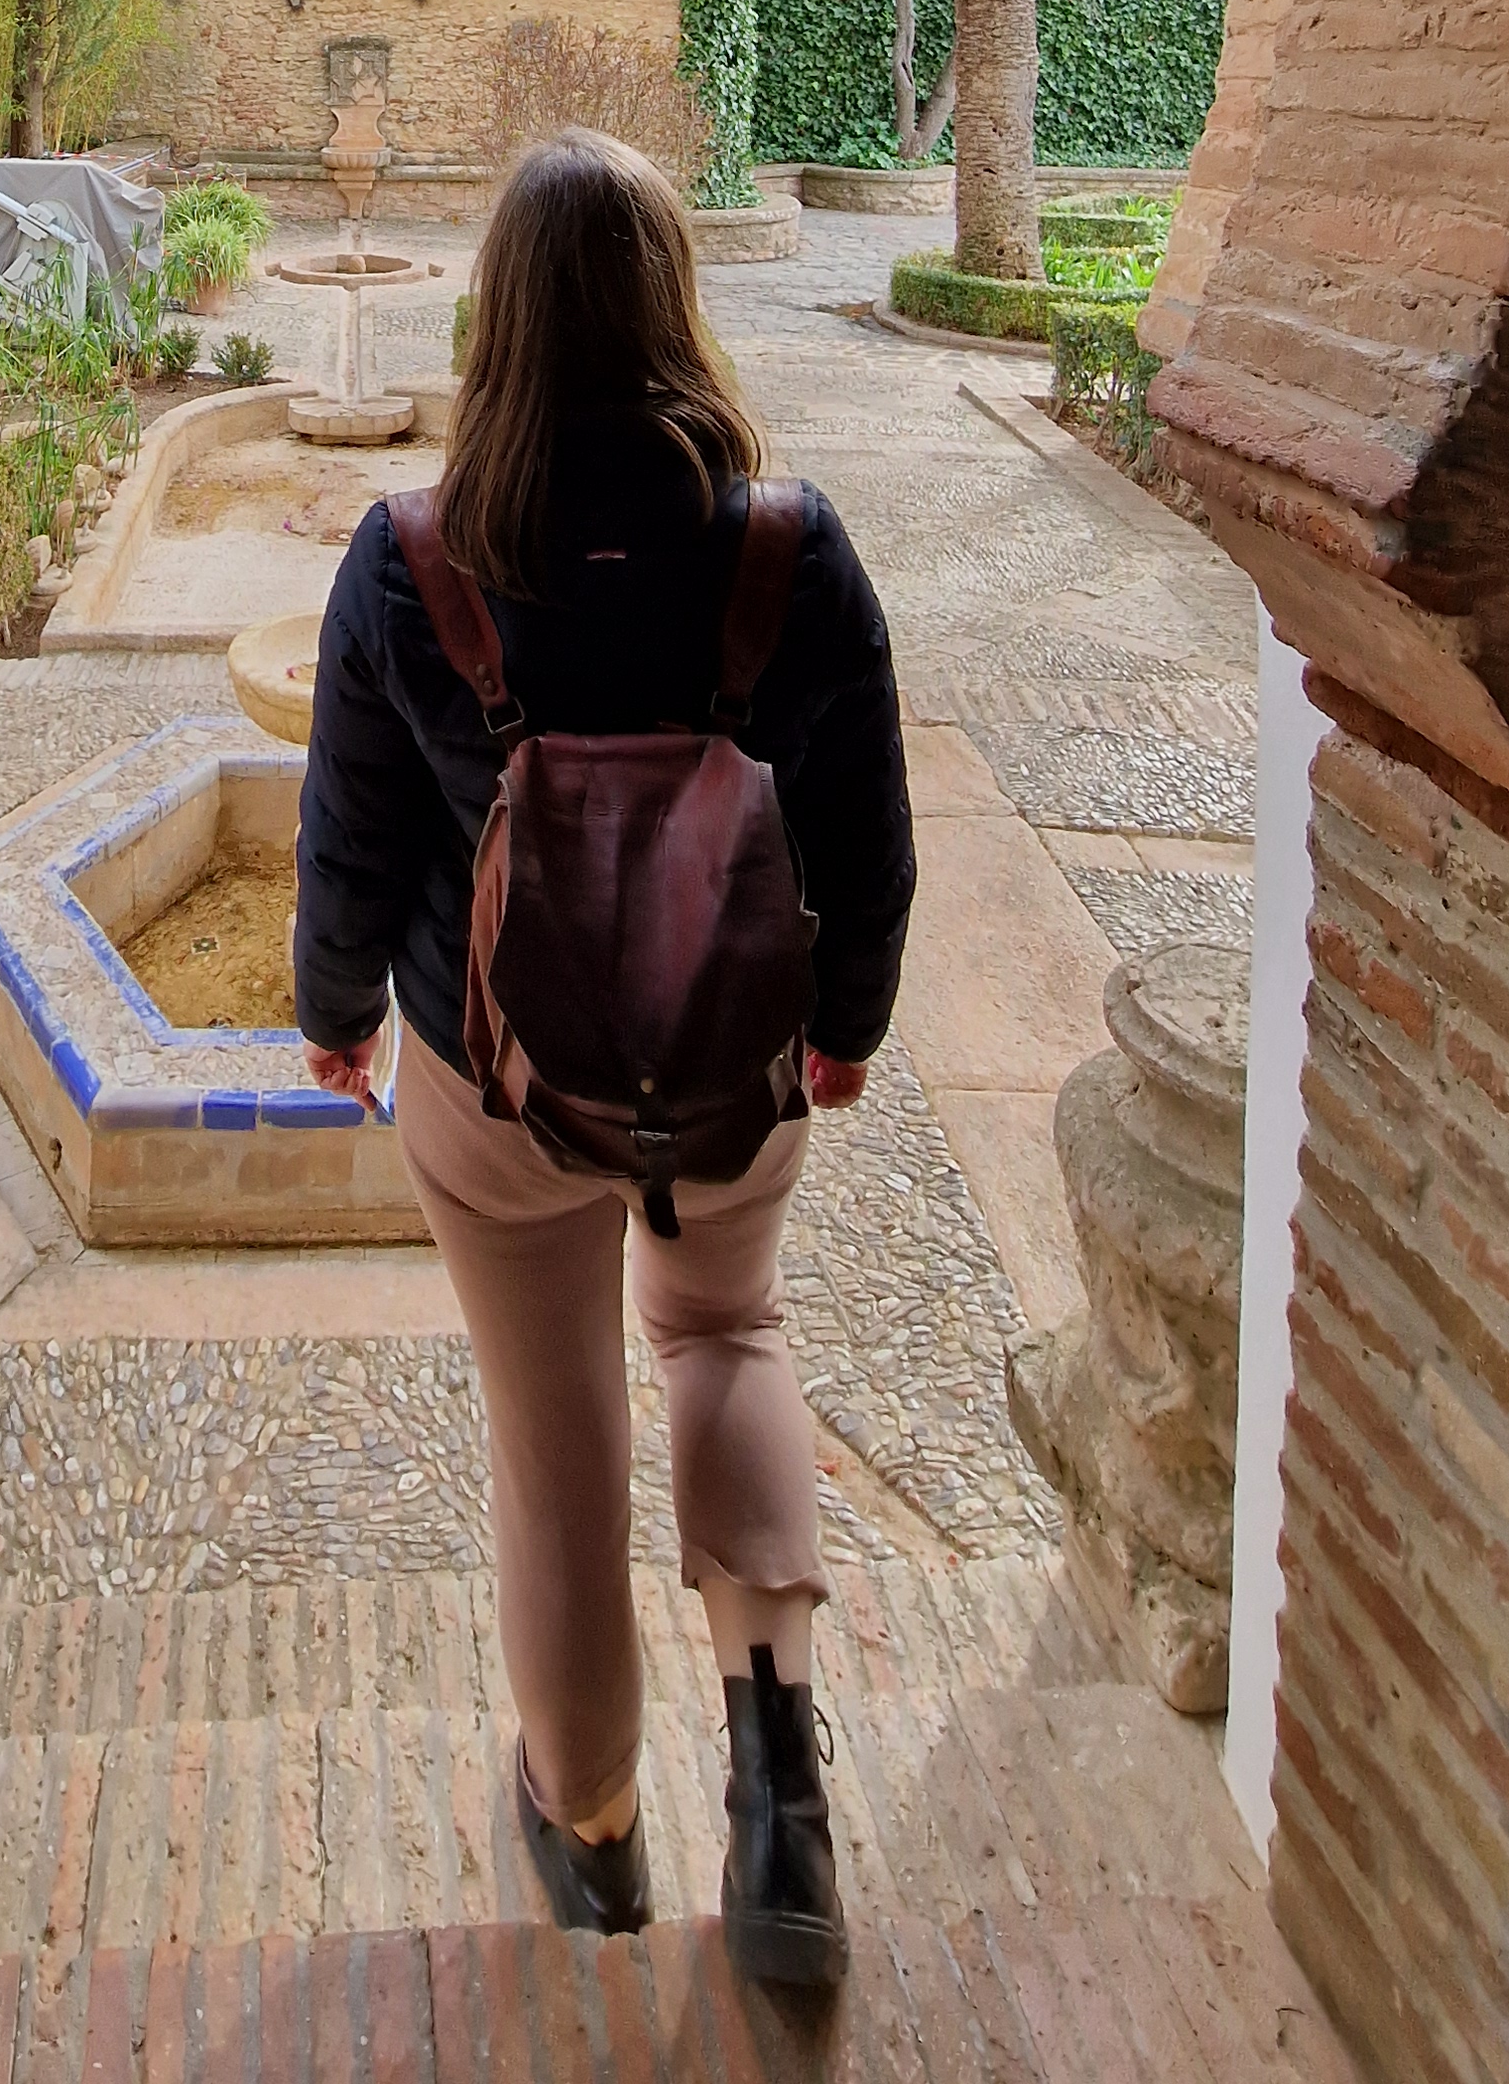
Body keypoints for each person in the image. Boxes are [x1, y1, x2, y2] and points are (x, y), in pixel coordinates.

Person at [293, 128, 917, 1983]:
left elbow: (351, 840)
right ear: (672, 301)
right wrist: (847, 1031)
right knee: (724, 1333)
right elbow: (868, 840)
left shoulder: (416, 560)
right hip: (731, 1069)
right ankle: (781, 1798)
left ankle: (592, 1827)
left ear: (497, 316)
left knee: (554, 1429)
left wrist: (336, 1019)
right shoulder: (787, 549)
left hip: (497, 1082)